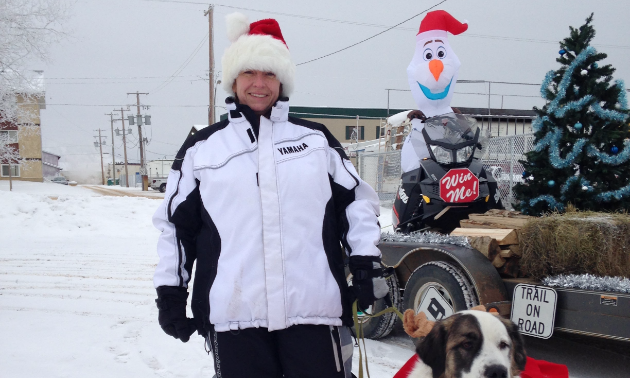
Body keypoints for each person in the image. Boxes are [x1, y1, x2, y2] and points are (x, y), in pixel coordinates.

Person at [152, 13, 388, 378]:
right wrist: (171, 293)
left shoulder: (315, 141)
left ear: (282, 80)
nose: (259, 84)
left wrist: (365, 265)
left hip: (314, 311)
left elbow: (358, 203)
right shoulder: (203, 149)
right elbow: (175, 228)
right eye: (249, 72)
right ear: (233, 79)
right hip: (234, 317)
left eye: (269, 73)